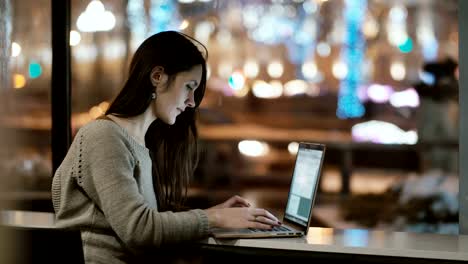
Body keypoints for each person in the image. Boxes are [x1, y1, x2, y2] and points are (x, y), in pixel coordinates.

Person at [51, 31, 280, 264]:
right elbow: (139, 229)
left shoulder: (138, 142)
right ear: (158, 76)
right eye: (189, 86)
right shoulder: (104, 136)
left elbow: (147, 219)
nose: (192, 102)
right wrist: (214, 217)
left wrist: (219, 213)